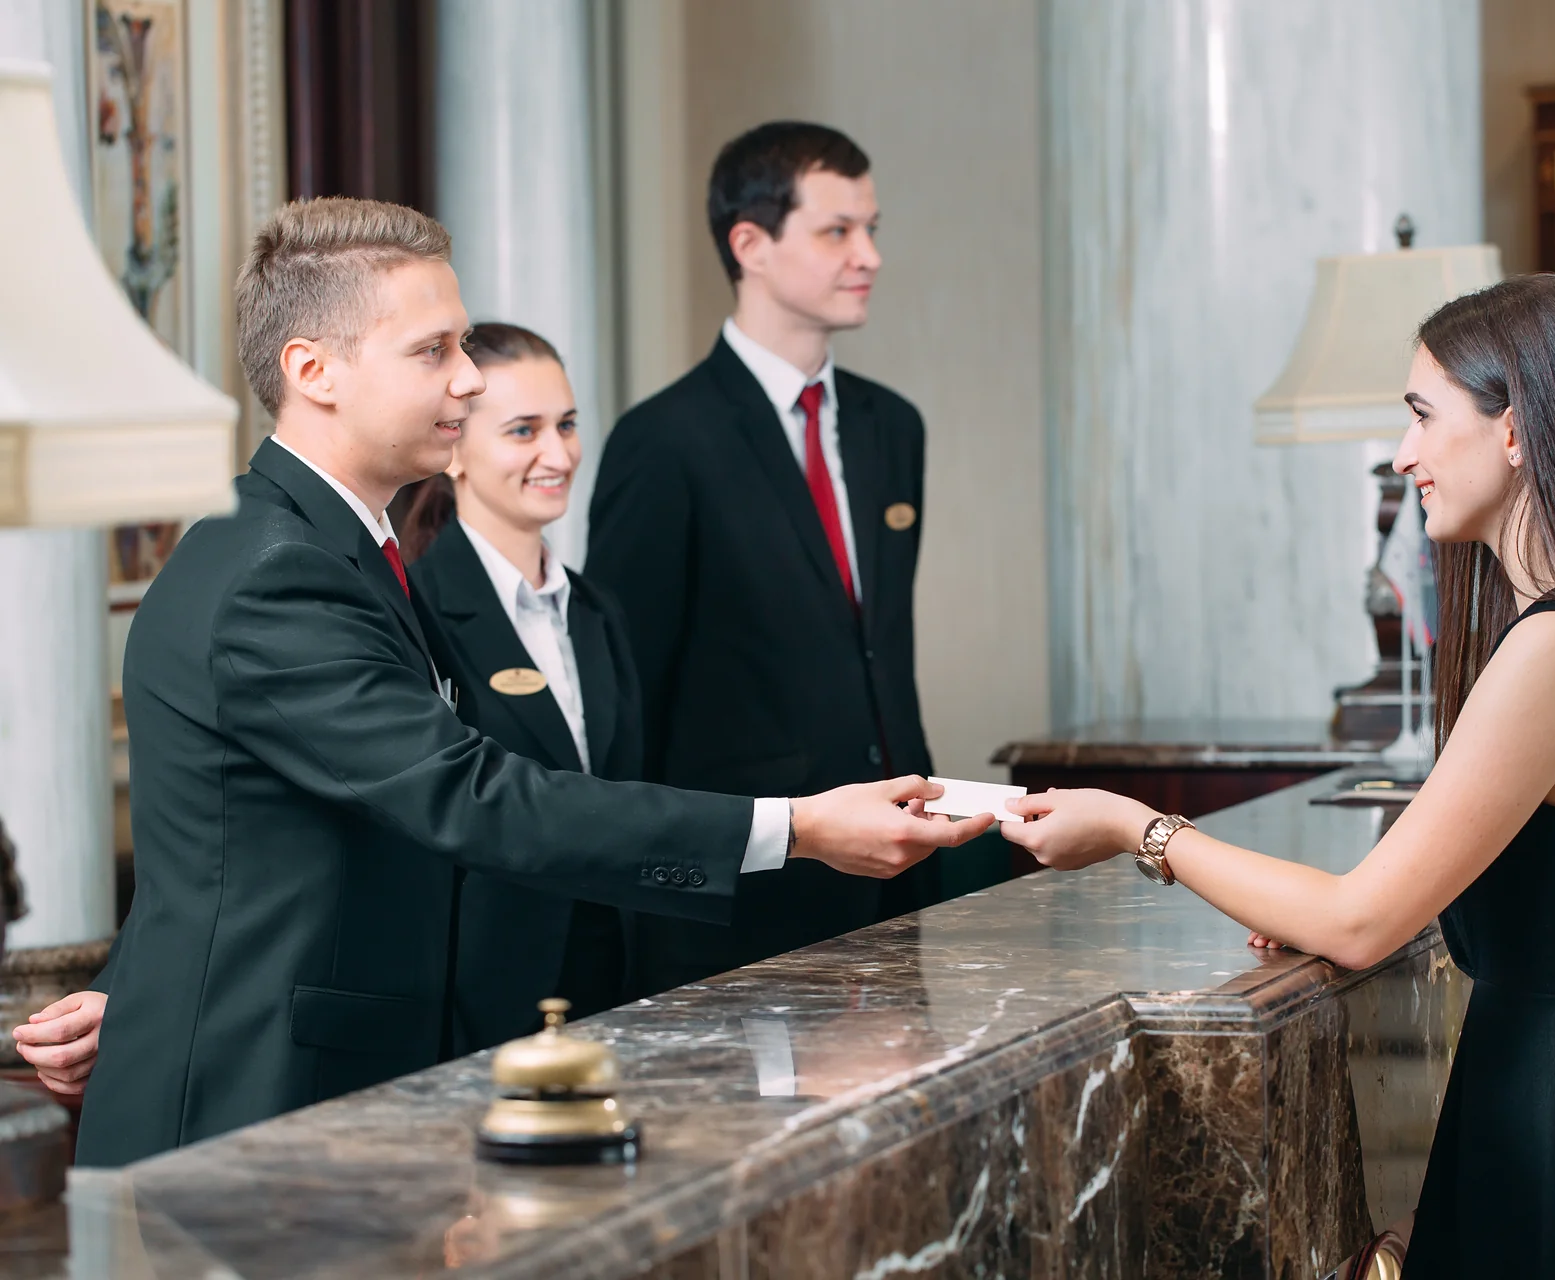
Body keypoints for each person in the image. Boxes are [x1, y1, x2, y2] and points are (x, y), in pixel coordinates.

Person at [9, 197, 990, 1167]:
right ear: (314, 370)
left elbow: (234, 843)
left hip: (339, 1077)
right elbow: (473, 798)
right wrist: (803, 827)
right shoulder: (277, 570)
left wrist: (142, 987)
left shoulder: (349, 547)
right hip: (257, 1098)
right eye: (433, 352)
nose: (470, 380)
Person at [999, 275, 1555, 1277]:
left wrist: (1139, 830)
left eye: (1423, 415)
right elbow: (1508, 883)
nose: (1403, 454)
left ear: (1515, 428)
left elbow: (1360, 920)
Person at [586, 121, 963, 993]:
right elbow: (629, 699)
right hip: (744, 907)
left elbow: (874, 654)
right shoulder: (663, 442)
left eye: (871, 228)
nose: (867, 254)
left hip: (905, 882)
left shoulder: (890, 427)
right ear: (749, 244)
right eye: (837, 231)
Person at [394, 321, 644, 1053]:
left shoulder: (598, 611)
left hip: (616, 986)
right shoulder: (418, 607)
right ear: (455, 451)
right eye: (523, 430)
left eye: (566, 425)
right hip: (478, 999)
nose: (558, 454)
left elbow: (625, 794)